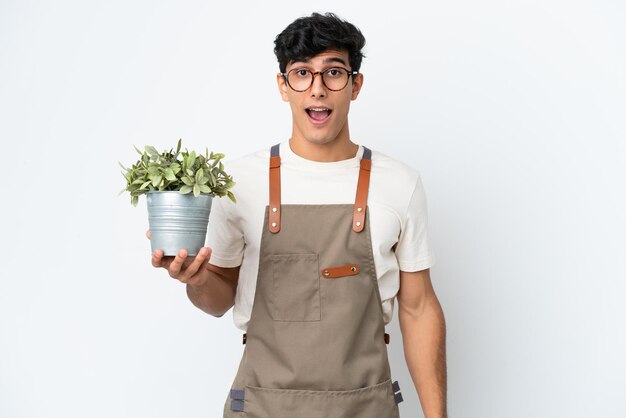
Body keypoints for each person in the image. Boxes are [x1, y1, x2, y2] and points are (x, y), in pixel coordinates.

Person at [150, 12, 447, 418]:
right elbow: (218, 300)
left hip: (365, 407)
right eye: (302, 73)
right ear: (283, 86)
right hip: (262, 407)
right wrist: (198, 279)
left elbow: (419, 309)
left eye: (334, 73)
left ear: (355, 85)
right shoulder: (239, 182)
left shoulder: (399, 184)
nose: (318, 90)